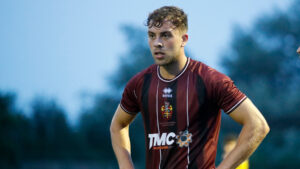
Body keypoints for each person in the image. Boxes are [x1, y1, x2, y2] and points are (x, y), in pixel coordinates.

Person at [110, 6, 270, 169]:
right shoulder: (139, 84)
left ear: (184, 39)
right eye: (152, 36)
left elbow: (258, 125)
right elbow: (117, 126)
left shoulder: (210, 80)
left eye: (166, 35)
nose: (157, 43)